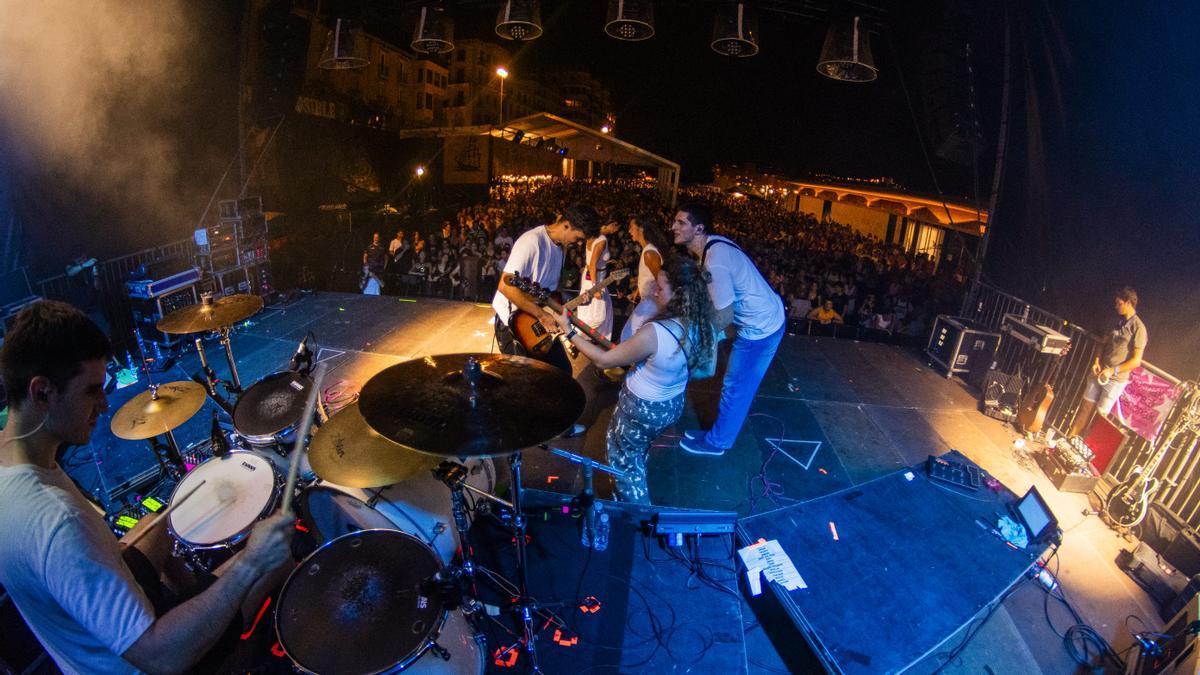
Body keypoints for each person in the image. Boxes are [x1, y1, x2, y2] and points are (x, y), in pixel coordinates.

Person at [0, 301, 294, 674]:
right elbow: (159, 658)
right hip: (151, 659)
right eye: (91, 391)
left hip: (89, 637)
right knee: (277, 559)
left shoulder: (10, 461)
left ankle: (195, 599)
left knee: (155, 525)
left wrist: (191, 590)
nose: (105, 405)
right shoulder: (55, 520)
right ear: (41, 392)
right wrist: (251, 561)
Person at [556, 256, 715, 503]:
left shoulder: (656, 333)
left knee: (624, 465)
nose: (654, 293)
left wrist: (569, 331)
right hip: (670, 404)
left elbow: (604, 361)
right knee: (637, 451)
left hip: (641, 410)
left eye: (661, 288)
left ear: (679, 294)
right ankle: (633, 483)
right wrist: (666, 370)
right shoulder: (704, 324)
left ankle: (638, 513)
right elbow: (707, 370)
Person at [671, 201, 785, 456]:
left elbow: (723, 317)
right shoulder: (713, 246)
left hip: (761, 329)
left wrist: (691, 342)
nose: (673, 227)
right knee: (732, 381)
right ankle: (717, 434)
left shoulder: (715, 261)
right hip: (761, 318)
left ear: (699, 229)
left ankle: (717, 443)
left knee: (736, 386)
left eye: (681, 223)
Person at [492, 203, 599, 373]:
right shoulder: (531, 242)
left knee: (562, 373)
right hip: (516, 324)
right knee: (524, 381)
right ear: (566, 225)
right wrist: (542, 315)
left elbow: (550, 294)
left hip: (538, 321)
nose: (578, 244)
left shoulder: (560, 248)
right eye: (578, 238)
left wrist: (576, 302)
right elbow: (505, 286)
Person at [1069, 286, 1148, 438]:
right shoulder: (1114, 321)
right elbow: (1101, 343)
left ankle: (1085, 450)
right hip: (1100, 372)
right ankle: (1070, 438)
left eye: (1119, 304)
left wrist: (1113, 370)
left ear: (1129, 303)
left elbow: (1136, 361)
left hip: (1115, 379)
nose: (1116, 306)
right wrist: (1096, 361)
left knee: (1100, 416)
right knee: (1085, 407)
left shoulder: (1139, 328)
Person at [620, 213, 670, 342]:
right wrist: (638, 290)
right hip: (648, 301)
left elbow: (662, 282)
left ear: (641, 229)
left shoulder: (649, 253)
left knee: (628, 336)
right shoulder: (647, 250)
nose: (629, 231)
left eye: (632, 227)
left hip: (651, 304)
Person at [576, 219, 621, 342]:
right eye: (617, 227)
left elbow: (592, 260)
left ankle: (593, 339)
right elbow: (592, 264)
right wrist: (595, 288)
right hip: (594, 279)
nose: (617, 231)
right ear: (612, 224)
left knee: (596, 310)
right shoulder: (602, 240)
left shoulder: (592, 236)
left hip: (591, 276)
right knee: (597, 314)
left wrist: (605, 262)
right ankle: (577, 338)